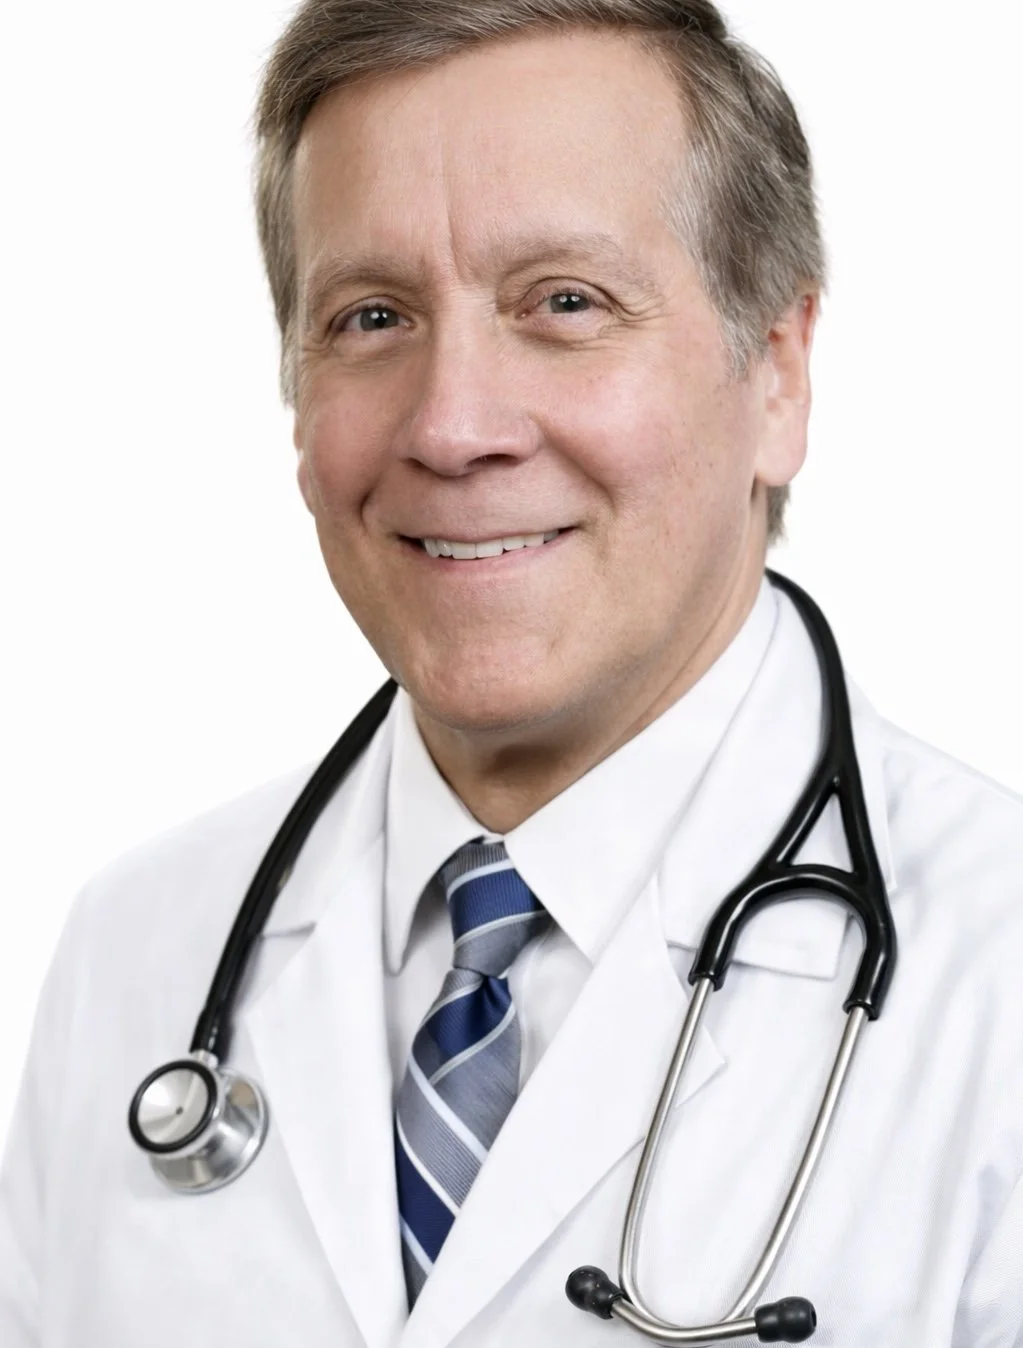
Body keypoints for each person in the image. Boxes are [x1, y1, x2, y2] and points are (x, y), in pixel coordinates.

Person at [2, 0, 1022, 1344]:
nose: (452, 424)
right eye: (370, 317)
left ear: (774, 374)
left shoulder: (995, 973)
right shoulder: (133, 953)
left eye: (563, 303)